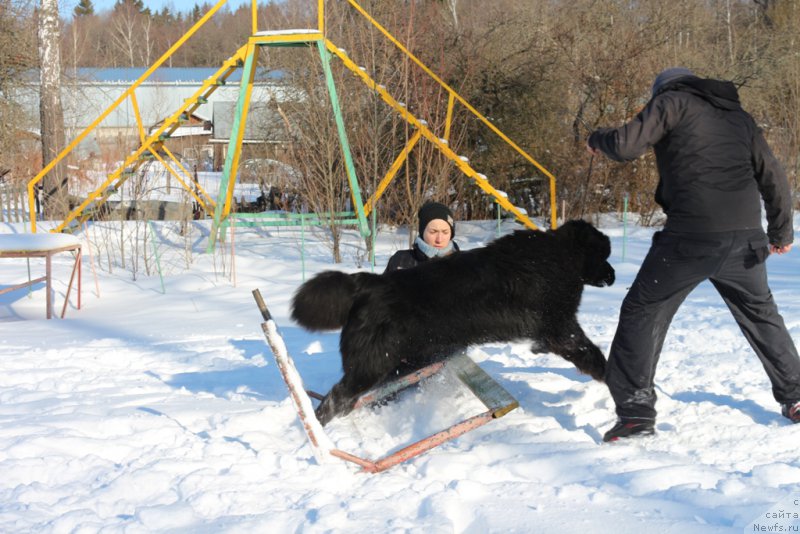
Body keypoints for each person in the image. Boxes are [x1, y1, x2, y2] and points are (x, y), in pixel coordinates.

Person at [586, 67, 800, 442]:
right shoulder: (738, 117)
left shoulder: (671, 103)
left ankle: (635, 413)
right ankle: (796, 396)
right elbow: (773, 173)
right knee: (762, 314)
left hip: (691, 237)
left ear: (661, 91)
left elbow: (624, 145)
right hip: (745, 239)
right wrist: (781, 229)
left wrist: (597, 138)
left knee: (642, 310)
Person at [384, 201, 459, 272]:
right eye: (433, 232)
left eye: (445, 232)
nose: (439, 239)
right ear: (422, 232)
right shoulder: (401, 260)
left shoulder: (462, 264)